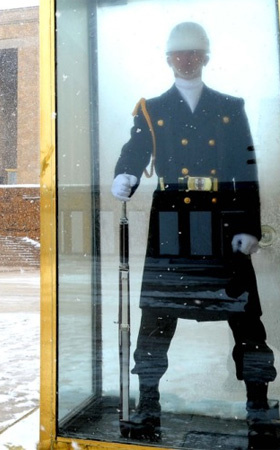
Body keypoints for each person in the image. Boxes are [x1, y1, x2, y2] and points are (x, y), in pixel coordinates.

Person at [111, 22, 277, 446]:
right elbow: (136, 146)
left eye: (194, 53)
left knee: (245, 320)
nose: (186, 59)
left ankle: (258, 403)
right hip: (174, 223)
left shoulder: (230, 106)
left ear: (205, 56)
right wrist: (126, 171)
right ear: (168, 58)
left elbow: (246, 169)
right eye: (179, 53)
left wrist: (249, 227)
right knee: (156, 318)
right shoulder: (153, 107)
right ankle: (148, 402)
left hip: (223, 221)